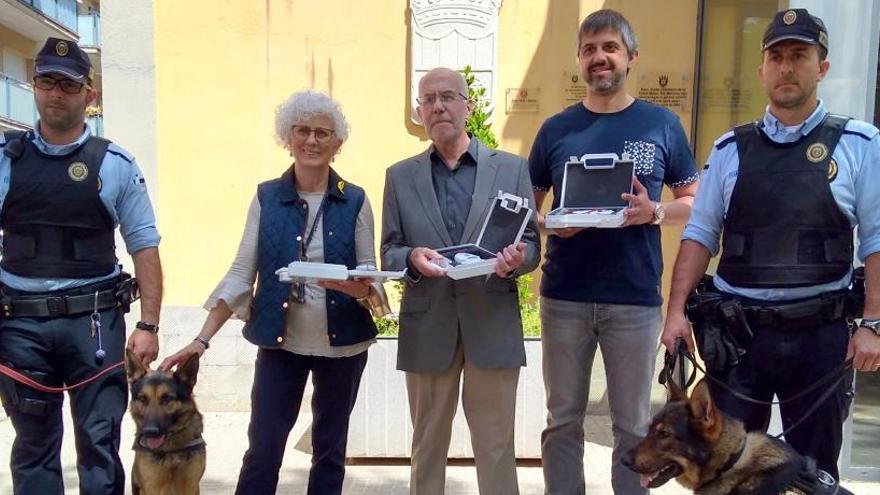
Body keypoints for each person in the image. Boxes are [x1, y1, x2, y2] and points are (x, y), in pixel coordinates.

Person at [661, 8, 880, 481]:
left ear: (821, 67)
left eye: (799, 55)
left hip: (821, 337)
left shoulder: (860, 145)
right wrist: (676, 311)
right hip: (740, 341)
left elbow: (877, 240)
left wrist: (873, 323)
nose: (786, 66)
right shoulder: (728, 151)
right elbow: (699, 236)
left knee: (812, 472)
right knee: (727, 471)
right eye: (776, 56)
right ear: (762, 70)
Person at [161, 89, 386, 494]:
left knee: (330, 451)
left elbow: (370, 280)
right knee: (263, 450)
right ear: (288, 137)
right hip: (280, 345)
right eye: (302, 130)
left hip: (345, 348)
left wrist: (355, 287)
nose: (312, 140)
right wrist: (201, 340)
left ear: (338, 143)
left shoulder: (355, 199)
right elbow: (240, 272)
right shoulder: (267, 196)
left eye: (323, 132)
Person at [528, 10, 699, 495]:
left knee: (631, 425)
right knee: (562, 421)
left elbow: (694, 201)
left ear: (630, 56)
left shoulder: (661, 124)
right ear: (579, 60)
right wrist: (556, 225)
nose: (599, 57)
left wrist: (655, 212)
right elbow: (526, 213)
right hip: (564, 297)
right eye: (589, 49)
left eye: (609, 47)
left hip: (634, 298)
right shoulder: (555, 130)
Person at [0, 37, 162, 494]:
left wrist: (148, 324)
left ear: (88, 96)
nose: (56, 93)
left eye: (68, 85)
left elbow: (144, 247)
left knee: (99, 446)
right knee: (32, 449)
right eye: (47, 81)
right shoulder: (6, 162)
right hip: (21, 327)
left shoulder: (114, 164)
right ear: (33, 85)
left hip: (93, 326)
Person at [381, 67, 540, 495]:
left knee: (496, 446)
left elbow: (531, 243)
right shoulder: (399, 176)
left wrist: (517, 260)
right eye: (428, 100)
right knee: (427, 445)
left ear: (468, 106)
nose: (438, 106)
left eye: (447, 96)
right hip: (428, 323)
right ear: (420, 112)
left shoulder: (511, 169)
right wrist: (411, 257)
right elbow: (390, 250)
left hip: (492, 322)